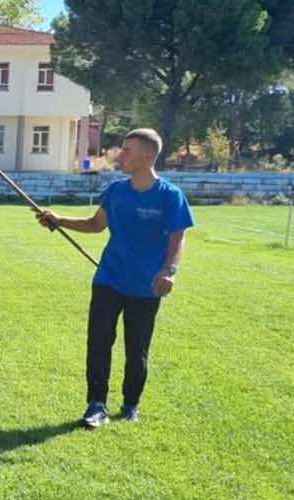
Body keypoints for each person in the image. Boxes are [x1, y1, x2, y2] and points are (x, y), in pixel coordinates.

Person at [37, 128, 193, 428]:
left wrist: (168, 271)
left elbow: (178, 238)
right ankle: (96, 405)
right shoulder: (116, 191)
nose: (120, 155)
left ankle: (130, 403)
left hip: (146, 286)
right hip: (109, 278)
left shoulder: (170, 196)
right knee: (98, 342)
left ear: (147, 156)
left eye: (127, 150)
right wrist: (59, 221)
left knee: (137, 349)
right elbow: (96, 224)